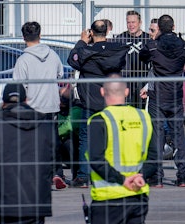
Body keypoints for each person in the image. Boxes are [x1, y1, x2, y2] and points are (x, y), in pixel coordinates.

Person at [0, 83, 55, 223]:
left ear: (3, 103)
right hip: (35, 203)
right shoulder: (45, 127)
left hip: (0, 203)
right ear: (26, 100)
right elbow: (53, 163)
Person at [67, 19, 130, 187]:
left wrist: (81, 41)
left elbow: (72, 60)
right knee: (112, 138)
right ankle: (112, 173)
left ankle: (83, 176)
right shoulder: (116, 50)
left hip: (89, 101)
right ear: (107, 32)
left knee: (86, 139)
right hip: (111, 101)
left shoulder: (85, 51)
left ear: (91, 33)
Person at [87, 73, 152, 224]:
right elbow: (155, 156)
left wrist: (122, 180)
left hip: (108, 197)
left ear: (102, 92)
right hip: (138, 193)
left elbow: (96, 160)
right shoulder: (143, 117)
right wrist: (140, 176)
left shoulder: (98, 120)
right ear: (127, 92)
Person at [140, 14, 185, 187]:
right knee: (178, 135)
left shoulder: (153, 45)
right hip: (175, 96)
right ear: (174, 27)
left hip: (158, 95)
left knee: (157, 136)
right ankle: (182, 176)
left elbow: (143, 56)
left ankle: (158, 176)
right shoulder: (183, 45)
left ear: (160, 28)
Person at [12, 21, 66, 189]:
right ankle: (57, 172)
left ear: (23, 38)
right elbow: (60, 75)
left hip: (32, 107)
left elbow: (18, 86)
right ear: (40, 35)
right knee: (52, 141)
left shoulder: (23, 60)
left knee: (32, 144)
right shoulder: (53, 55)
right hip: (51, 105)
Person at [113, 10, 150, 109]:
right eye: (128, 22)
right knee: (124, 109)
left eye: (133, 22)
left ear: (140, 22)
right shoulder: (120, 38)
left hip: (142, 79)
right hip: (125, 81)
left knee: (139, 110)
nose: (131, 25)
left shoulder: (148, 39)